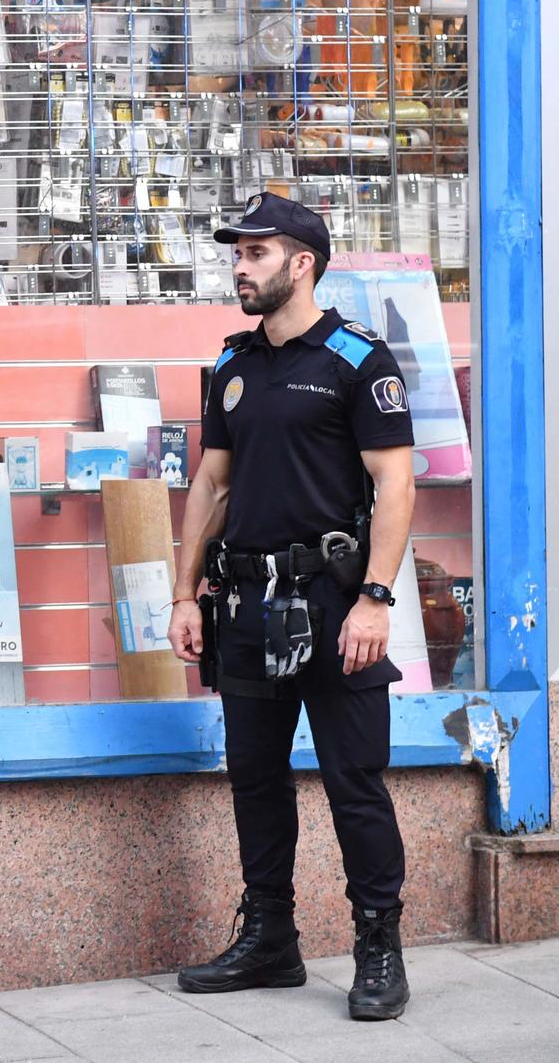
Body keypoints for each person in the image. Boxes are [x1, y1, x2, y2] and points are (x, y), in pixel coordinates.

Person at [168, 193, 417, 1021]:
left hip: (335, 603)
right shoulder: (235, 368)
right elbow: (211, 481)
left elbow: (395, 483)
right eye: (236, 253)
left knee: (355, 782)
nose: (239, 266)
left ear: (302, 261)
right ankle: (272, 936)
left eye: (256, 252)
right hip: (245, 604)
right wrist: (184, 592)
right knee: (256, 781)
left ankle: (378, 944)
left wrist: (376, 598)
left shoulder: (356, 359)